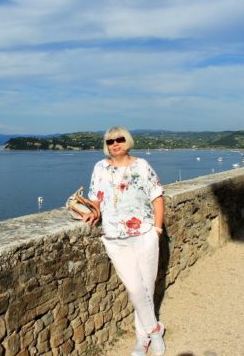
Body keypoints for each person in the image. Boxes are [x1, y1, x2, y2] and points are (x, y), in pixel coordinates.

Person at [83, 126, 166, 356]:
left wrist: (157, 229)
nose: (115, 144)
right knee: (134, 287)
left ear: (127, 141)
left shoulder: (141, 166)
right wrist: (93, 212)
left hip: (144, 235)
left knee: (147, 286)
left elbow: (157, 196)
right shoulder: (100, 167)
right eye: (110, 141)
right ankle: (155, 329)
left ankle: (143, 339)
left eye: (119, 139)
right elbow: (96, 199)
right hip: (113, 236)